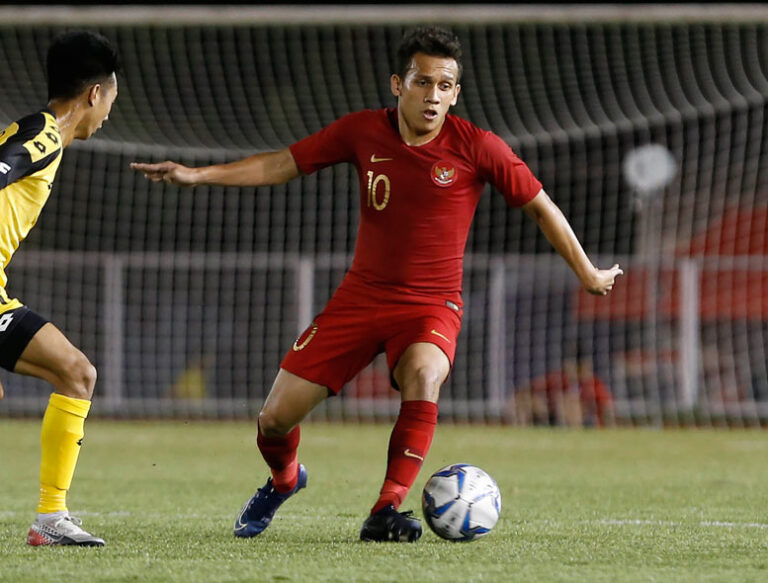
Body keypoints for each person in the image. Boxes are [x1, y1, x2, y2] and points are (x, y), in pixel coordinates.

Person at [132, 26, 622, 543]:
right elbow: (282, 164)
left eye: (445, 85)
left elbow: (540, 206)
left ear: (457, 92)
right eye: (422, 81)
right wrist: (198, 175)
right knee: (273, 419)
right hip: (360, 299)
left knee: (425, 373)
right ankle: (284, 478)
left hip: (432, 305)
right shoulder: (362, 132)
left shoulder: (478, 146)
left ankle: (386, 509)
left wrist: (587, 273)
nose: (433, 95)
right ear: (398, 83)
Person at [0, 30, 119, 546]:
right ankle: (50, 517)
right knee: (77, 372)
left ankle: (51, 519)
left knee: (74, 373)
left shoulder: (39, 130)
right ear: (94, 93)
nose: (110, 111)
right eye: (112, 97)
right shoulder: (45, 134)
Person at [510, 343, 616, 428]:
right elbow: (524, 391)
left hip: (587, 426)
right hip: (553, 421)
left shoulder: (594, 384)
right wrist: (539, 404)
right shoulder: (558, 378)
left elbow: (608, 409)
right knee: (522, 401)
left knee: (570, 401)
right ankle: (520, 435)